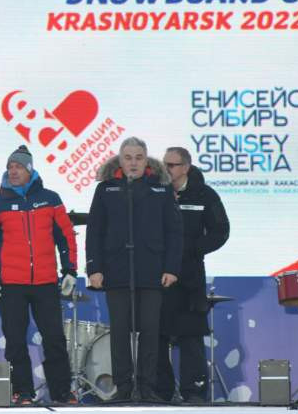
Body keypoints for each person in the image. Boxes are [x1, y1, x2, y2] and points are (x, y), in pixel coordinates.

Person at [0, 145, 78, 404]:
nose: (13, 171)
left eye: (18, 167)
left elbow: (65, 236)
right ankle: (23, 392)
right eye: (10, 167)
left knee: (54, 338)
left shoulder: (51, 199)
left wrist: (70, 270)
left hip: (46, 283)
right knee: (15, 341)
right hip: (12, 284)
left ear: (30, 170)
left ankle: (62, 392)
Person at [85, 137, 183, 401]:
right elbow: (94, 231)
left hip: (152, 271)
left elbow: (174, 232)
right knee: (119, 331)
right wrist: (94, 268)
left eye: (139, 157)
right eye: (128, 158)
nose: (133, 163)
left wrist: (171, 268)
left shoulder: (161, 189)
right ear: (120, 160)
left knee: (150, 331)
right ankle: (124, 388)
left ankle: (147, 387)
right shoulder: (106, 189)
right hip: (116, 271)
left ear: (146, 159)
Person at [155, 147, 230, 403]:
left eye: (172, 165)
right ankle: (161, 392)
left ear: (186, 167)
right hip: (158, 275)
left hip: (190, 276)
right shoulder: (155, 192)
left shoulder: (205, 194)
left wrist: (193, 249)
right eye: (164, 164)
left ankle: (194, 391)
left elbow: (221, 231)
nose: (166, 169)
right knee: (156, 335)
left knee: (191, 334)